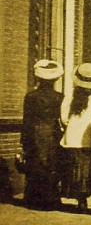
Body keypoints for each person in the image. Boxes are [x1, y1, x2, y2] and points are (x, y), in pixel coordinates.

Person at [21, 59, 65, 210]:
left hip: (35, 132)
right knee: (52, 165)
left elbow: (27, 120)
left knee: (35, 164)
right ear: (55, 79)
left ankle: (33, 199)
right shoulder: (60, 97)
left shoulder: (31, 97)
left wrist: (24, 140)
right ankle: (51, 199)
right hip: (54, 133)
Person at [60, 63, 91, 213]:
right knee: (86, 170)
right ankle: (84, 198)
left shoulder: (70, 97)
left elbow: (64, 118)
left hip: (71, 139)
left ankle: (79, 199)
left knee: (74, 169)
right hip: (88, 139)